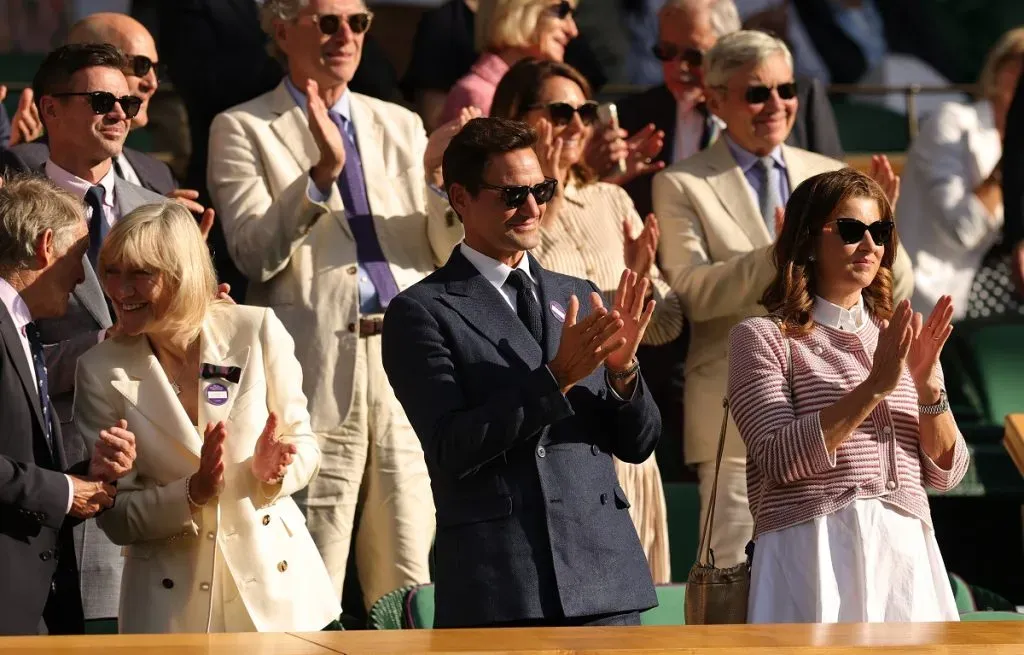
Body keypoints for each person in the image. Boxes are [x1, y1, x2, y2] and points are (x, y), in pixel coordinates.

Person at [208, 0, 465, 611]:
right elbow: (252, 255)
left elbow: (439, 249)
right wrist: (321, 176)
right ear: (280, 29)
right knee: (312, 571)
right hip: (312, 370)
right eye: (328, 22)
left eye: (358, 22)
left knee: (409, 575)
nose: (346, 35)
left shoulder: (399, 123)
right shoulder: (243, 126)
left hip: (407, 360)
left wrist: (438, 183)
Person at [382, 116, 660, 628]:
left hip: (604, 580)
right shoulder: (422, 310)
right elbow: (450, 448)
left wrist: (624, 375)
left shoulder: (575, 292)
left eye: (542, 189)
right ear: (461, 198)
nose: (533, 208)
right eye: (512, 195)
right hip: (502, 585)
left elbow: (638, 444)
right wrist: (556, 377)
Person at [653, 30, 914, 569]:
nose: (776, 104)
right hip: (741, 419)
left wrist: (885, 228)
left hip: (845, 412)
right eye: (756, 93)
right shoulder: (682, 182)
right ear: (716, 99)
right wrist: (784, 249)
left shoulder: (826, 170)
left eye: (786, 89)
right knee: (737, 583)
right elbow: (694, 293)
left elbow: (896, 288)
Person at [73, 202, 340, 633]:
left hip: (280, 596)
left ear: (182, 274)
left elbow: (304, 443)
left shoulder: (256, 329)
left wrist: (276, 470)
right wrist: (191, 493)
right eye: (112, 272)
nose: (121, 290)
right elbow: (115, 516)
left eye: (141, 274)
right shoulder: (100, 368)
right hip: (169, 611)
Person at [728, 167, 970, 622]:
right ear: (806, 241)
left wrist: (930, 390)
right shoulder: (761, 337)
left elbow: (947, 474)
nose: (869, 244)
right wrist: (875, 387)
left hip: (904, 556)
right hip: (809, 550)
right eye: (850, 229)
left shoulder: (901, 337)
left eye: (879, 231)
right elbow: (779, 457)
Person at [490, 58, 683, 583]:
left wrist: (639, 284)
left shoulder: (611, 198)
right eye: (560, 111)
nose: (577, 125)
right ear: (517, 116)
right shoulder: (504, 214)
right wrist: (543, 200)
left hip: (625, 428)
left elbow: (666, 326)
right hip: (557, 441)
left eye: (586, 111)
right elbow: (520, 309)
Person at [0, 43, 170, 627]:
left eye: (128, 100)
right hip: (47, 479)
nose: (122, 112)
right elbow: (14, 343)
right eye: (102, 99)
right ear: (50, 108)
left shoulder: (160, 208)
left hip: (155, 476)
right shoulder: (9, 205)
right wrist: (103, 346)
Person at [0, 175, 136, 635]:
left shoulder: (22, 329)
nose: (82, 277)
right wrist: (62, 492)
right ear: (44, 247)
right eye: (79, 257)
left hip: (32, 598)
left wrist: (86, 473)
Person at [612, 0, 844, 219]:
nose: (678, 67)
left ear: (730, 47)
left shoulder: (794, 99)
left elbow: (834, 193)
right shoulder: (634, 118)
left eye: (694, 56)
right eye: (666, 52)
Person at [898, 28, 1024, 321]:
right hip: (943, 287)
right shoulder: (952, 123)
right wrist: (1011, 161)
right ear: (998, 69)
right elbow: (962, 230)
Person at [440, 0, 581, 124]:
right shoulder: (475, 96)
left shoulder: (534, 87)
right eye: (561, 12)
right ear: (518, 9)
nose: (573, 31)